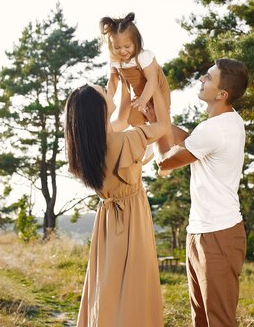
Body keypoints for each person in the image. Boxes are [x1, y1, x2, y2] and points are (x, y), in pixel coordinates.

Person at [65, 80, 169, 327]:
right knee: (135, 285)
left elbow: (120, 117)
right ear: (99, 109)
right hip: (132, 217)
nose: (106, 90)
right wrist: (155, 92)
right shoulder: (126, 140)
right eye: (103, 92)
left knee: (109, 283)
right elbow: (163, 126)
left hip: (108, 219)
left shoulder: (90, 147)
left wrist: (122, 83)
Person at [158, 58, 249, 327]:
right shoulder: (225, 123)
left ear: (222, 94)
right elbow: (189, 142)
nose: (201, 79)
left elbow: (166, 162)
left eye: (208, 77)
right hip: (200, 231)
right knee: (202, 320)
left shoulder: (215, 129)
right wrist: (159, 122)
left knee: (218, 321)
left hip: (217, 235)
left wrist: (152, 131)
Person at [100, 12, 174, 162]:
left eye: (127, 46)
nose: (122, 51)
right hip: (140, 95)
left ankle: (159, 145)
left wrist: (143, 99)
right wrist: (108, 97)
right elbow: (113, 80)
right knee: (134, 118)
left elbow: (152, 80)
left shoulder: (143, 56)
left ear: (136, 43)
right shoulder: (116, 60)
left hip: (156, 90)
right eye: (117, 47)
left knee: (160, 118)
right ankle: (145, 142)